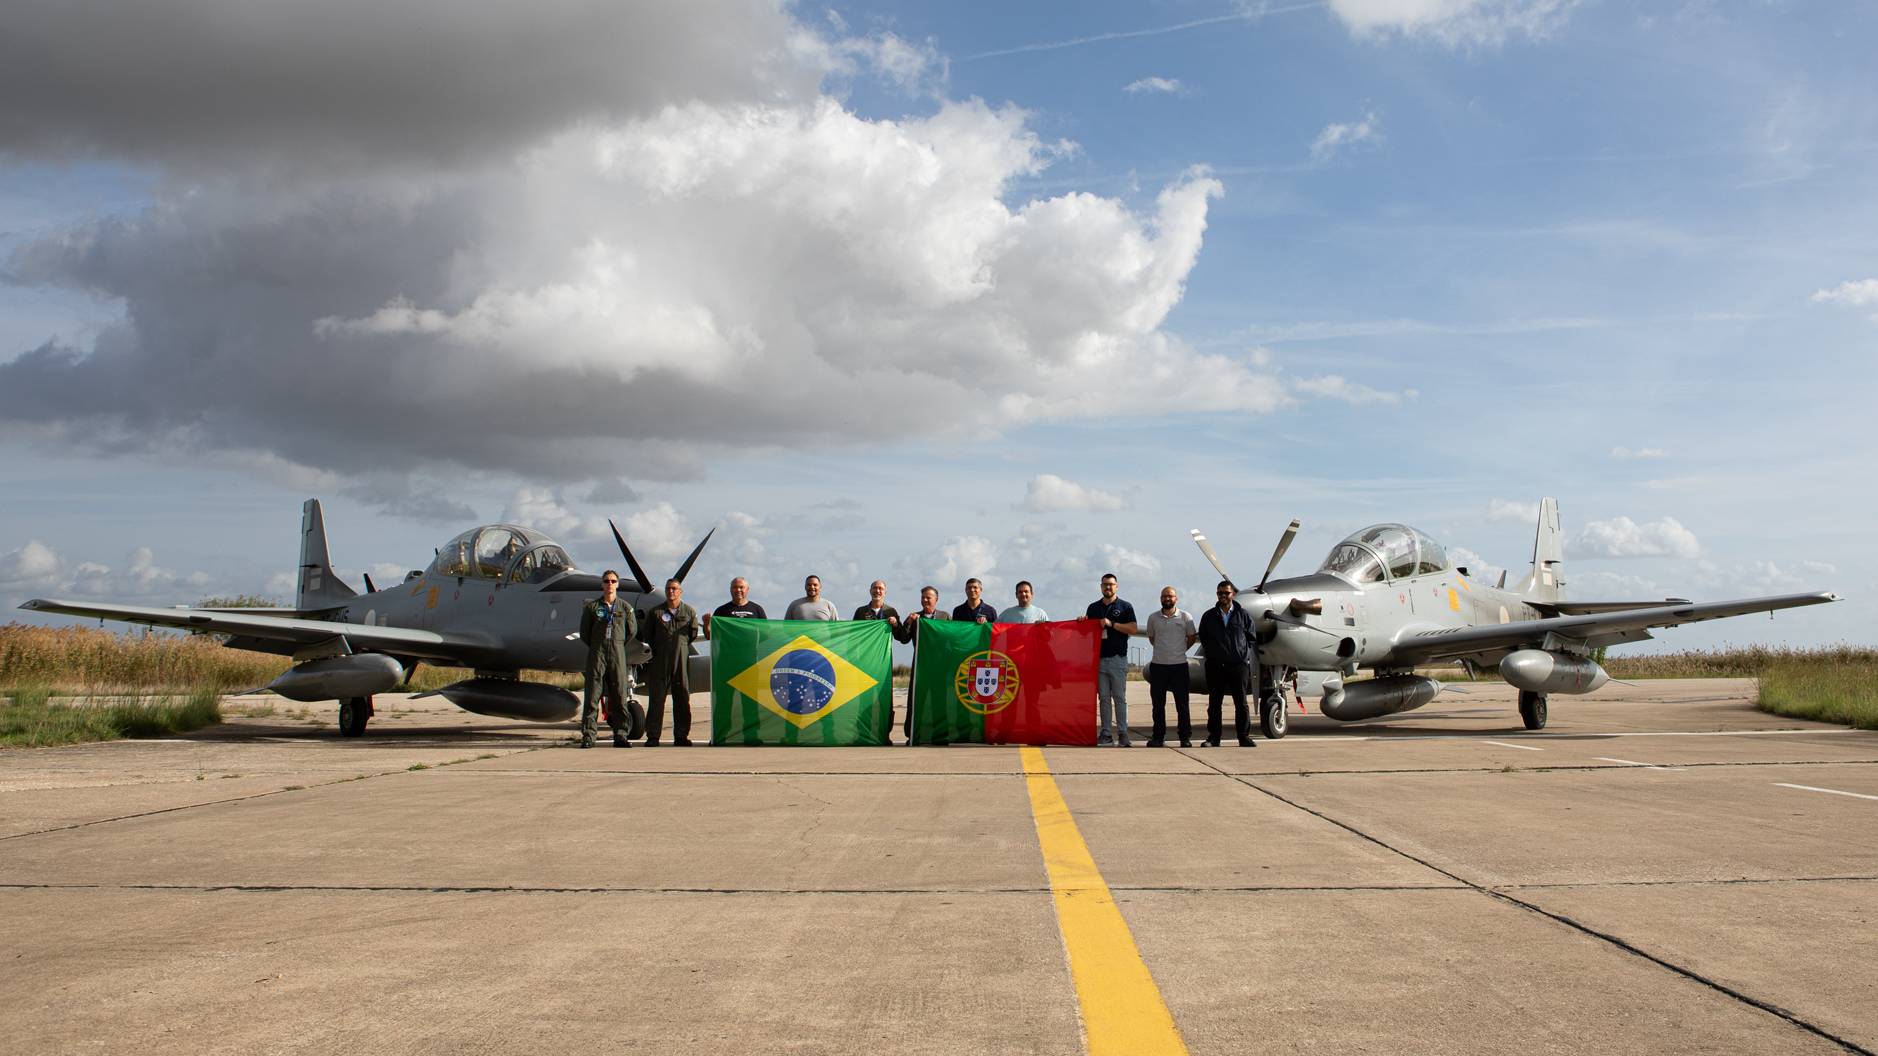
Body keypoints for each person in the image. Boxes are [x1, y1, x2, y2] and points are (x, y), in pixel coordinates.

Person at [578, 570, 637, 748]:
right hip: (597, 652)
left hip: (617, 652)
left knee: (619, 694)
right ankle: (589, 736)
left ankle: (621, 735)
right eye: (606, 581)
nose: (609, 584)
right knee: (592, 695)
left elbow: (631, 631)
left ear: (617, 584)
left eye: (613, 581)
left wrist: (617, 644)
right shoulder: (592, 607)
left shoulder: (625, 608)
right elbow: (584, 633)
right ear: (602, 584)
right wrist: (599, 644)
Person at [640, 578, 702, 746]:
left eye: (674, 588)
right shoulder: (656, 612)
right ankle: (653, 736)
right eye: (668, 588)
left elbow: (692, 635)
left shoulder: (689, 612)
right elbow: (648, 634)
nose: (671, 591)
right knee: (656, 699)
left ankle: (681, 736)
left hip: (680, 660)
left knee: (682, 697)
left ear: (680, 591)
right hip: (660, 660)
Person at [1196, 579, 1258, 748]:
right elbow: (1203, 637)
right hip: (1215, 666)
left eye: (1226, 593)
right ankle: (1214, 737)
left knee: (1241, 703)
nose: (1223, 596)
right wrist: (1213, 653)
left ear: (1233, 594)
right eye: (1220, 593)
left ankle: (1243, 737)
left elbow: (1251, 637)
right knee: (1214, 704)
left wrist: (1242, 655)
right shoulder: (1208, 616)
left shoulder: (1243, 615)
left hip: (1238, 666)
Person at [1081, 573, 1139, 746]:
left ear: (1116, 586)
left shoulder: (1125, 607)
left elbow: (1133, 628)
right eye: (1105, 584)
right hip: (1099, 659)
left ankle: (1122, 732)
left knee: (1119, 697)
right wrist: (1082, 622)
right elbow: (1087, 632)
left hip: (1117, 659)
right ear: (1101, 586)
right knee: (1104, 698)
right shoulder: (1093, 608)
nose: (1108, 587)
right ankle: (1106, 733)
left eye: (1111, 584)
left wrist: (1112, 624)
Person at [1142, 586, 1198, 747]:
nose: (1167, 598)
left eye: (1170, 596)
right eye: (1164, 596)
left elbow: (1192, 637)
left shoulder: (1186, 617)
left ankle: (1185, 737)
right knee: (1158, 705)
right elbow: (1152, 638)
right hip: (1158, 666)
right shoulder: (1153, 618)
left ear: (1176, 599)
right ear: (1160, 598)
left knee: (1182, 704)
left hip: (1179, 666)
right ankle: (1158, 737)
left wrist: (1179, 650)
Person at [896, 586, 948, 741]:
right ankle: (912, 734)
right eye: (923, 597)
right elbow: (903, 639)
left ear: (936, 599)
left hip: (939, 666)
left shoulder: (945, 617)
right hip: (920, 665)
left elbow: (952, 638)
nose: (925, 600)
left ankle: (940, 735)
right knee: (916, 700)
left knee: (939, 700)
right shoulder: (914, 617)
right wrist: (908, 622)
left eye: (928, 597)